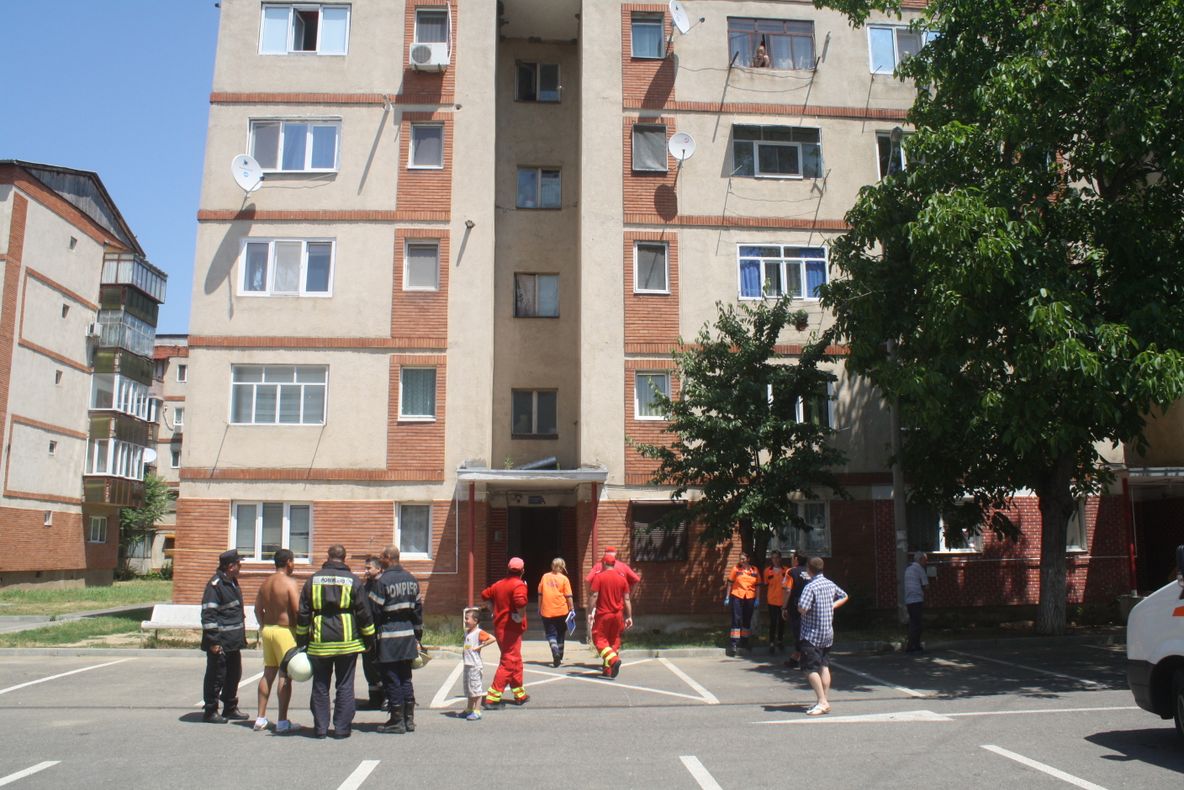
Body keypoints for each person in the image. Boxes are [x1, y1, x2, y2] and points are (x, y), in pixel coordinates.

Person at [295, 544, 376, 739]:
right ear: (345, 558)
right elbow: (364, 613)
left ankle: (321, 728)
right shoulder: (353, 580)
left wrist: (302, 640)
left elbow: (303, 613)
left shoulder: (312, 580)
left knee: (320, 685)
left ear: (328, 556)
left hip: (319, 642)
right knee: (345, 685)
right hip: (347, 642)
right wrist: (369, 639)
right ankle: (341, 729)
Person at [368, 544, 423, 734]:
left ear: (388, 558)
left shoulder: (382, 582)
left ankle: (397, 720)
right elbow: (418, 611)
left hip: (389, 634)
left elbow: (373, 611)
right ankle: (409, 720)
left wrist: (370, 637)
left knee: (391, 678)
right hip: (407, 633)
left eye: (382, 557)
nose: (380, 559)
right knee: (406, 677)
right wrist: (418, 636)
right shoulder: (412, 579)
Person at [253, 548, 302, 733]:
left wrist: (262, 625)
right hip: (284, 631)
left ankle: (260, 718)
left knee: (268, 673)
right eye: (293, 561)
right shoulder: (289, 582)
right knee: (285, 675)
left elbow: (257, 609)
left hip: (268, 629)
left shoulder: (265, 583)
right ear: (288, 562)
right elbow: (297, 610)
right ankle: (282, 721)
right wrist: (302, 631)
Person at [796, 557, 849, 716]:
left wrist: (798, 606)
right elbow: (844, 596)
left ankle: (822, 701)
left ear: (809, 569)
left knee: (809, 668)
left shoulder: (810, 587)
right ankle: (824, 699)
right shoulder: (829, 584)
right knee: (824, 666)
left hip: (811, 634)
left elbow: (803, 608)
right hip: (827, 633)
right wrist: (832, 605)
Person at [201, 549, 248, 723]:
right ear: (230, 566)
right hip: (220, 642)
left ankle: (230, 707)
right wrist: (213, 641)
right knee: (216, 677)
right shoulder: (216, 585)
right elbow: (208, 615)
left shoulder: (232, 582)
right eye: (238, 564)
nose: (240, 566)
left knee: (234, 674)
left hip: (233, 642)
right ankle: (210, 710)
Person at [481, 556, 530, 707]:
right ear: (522, 570)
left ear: (508, 569)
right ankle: (492, 698)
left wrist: (492, 608)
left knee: (515, 660)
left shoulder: (499, 584)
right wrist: (520, 616)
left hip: (501, 627)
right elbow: (520, 602)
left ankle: (519, 694)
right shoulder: (519, 585)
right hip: (511, 629)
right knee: (509, 662)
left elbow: (485, 595)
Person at [588, 548, 633, 678]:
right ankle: (608, 669)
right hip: (618, 615)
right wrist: (629, 616)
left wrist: (590, 612)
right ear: (614, 564)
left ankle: (613, 661)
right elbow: (627, 599)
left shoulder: (599, 577)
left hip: (603, 615)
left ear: (603, 563)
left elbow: (594, 596)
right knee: (613, 641)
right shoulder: (622, 579)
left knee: (599, 640)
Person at [359, 556, 385, 710]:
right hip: (367, 631)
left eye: (369, 568)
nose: (366, 571)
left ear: (379, 568)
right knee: (368, 665)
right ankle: (374, 699)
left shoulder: (381, 584)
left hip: (379, 631)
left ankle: (386, 697)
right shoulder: (367, 585)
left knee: (379, 665)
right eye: (365, 568)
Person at [538, 557, 575, 667]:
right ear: (562, 566)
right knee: (561, 633)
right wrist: (571, 608)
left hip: (547, 610)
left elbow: (540, 593)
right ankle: (560, 654)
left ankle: (555, 652)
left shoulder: (545, 577)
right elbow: (569, 596)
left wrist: (539, 607)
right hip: (562, 610)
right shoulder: (564, 579)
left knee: (550, 634)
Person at [461, 607, 495, 721]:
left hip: (475, 665)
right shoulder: (467, 632)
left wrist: (480, 646)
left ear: (475, 621)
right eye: (465, 618)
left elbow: (492, 638)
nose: (465, 621)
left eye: (467, 619)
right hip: (467, 664)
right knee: (469, 689)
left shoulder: (478, 632)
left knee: (476, 689)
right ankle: (469, 709)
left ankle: (477, 711)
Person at [724, 551, 760, 656]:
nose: (741, 561)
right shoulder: (736, 569)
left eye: (743, 559)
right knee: (736, 618)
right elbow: (730, 583)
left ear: (748, 559)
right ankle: (734, 644)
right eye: (740, 559)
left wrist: (757, 599)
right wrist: (727, 596)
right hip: (737, 596)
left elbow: (757, 585)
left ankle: (745, 641)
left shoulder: (754, 570)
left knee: (747, 619)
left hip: (750, 597)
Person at [781, 551, 810, 668]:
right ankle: (796, 657)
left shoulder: (791, 571)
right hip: (809, 605)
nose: (791, 559)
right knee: (807, 631)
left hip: (796, 605)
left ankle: (804, 659)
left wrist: (784, 607)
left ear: (796, 559)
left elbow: (787, 590)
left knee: (798, 631)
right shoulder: (810, 571)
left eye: (792, 557)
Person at [762, 550, 789, 654]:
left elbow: (788, 587)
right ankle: (771, 643)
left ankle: (780, 641)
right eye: (773, 558)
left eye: (777, 557)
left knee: (782, 622)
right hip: (772, 601)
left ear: (780, 558)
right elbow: (766, 585)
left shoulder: (786, 571)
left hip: (783, 601)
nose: (775, 560)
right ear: (771, 559)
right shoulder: (767, 571)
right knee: (773, 622)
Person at [904, 552, 929, 653]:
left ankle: (912, 645)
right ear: (920, 560)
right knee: (917, 624)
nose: (926, 562)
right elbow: (926, 585)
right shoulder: (919, 569)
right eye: (925, 560)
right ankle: (913, 645)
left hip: (909, 599)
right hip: (917, 599)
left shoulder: (908, 568)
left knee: (913, 622)